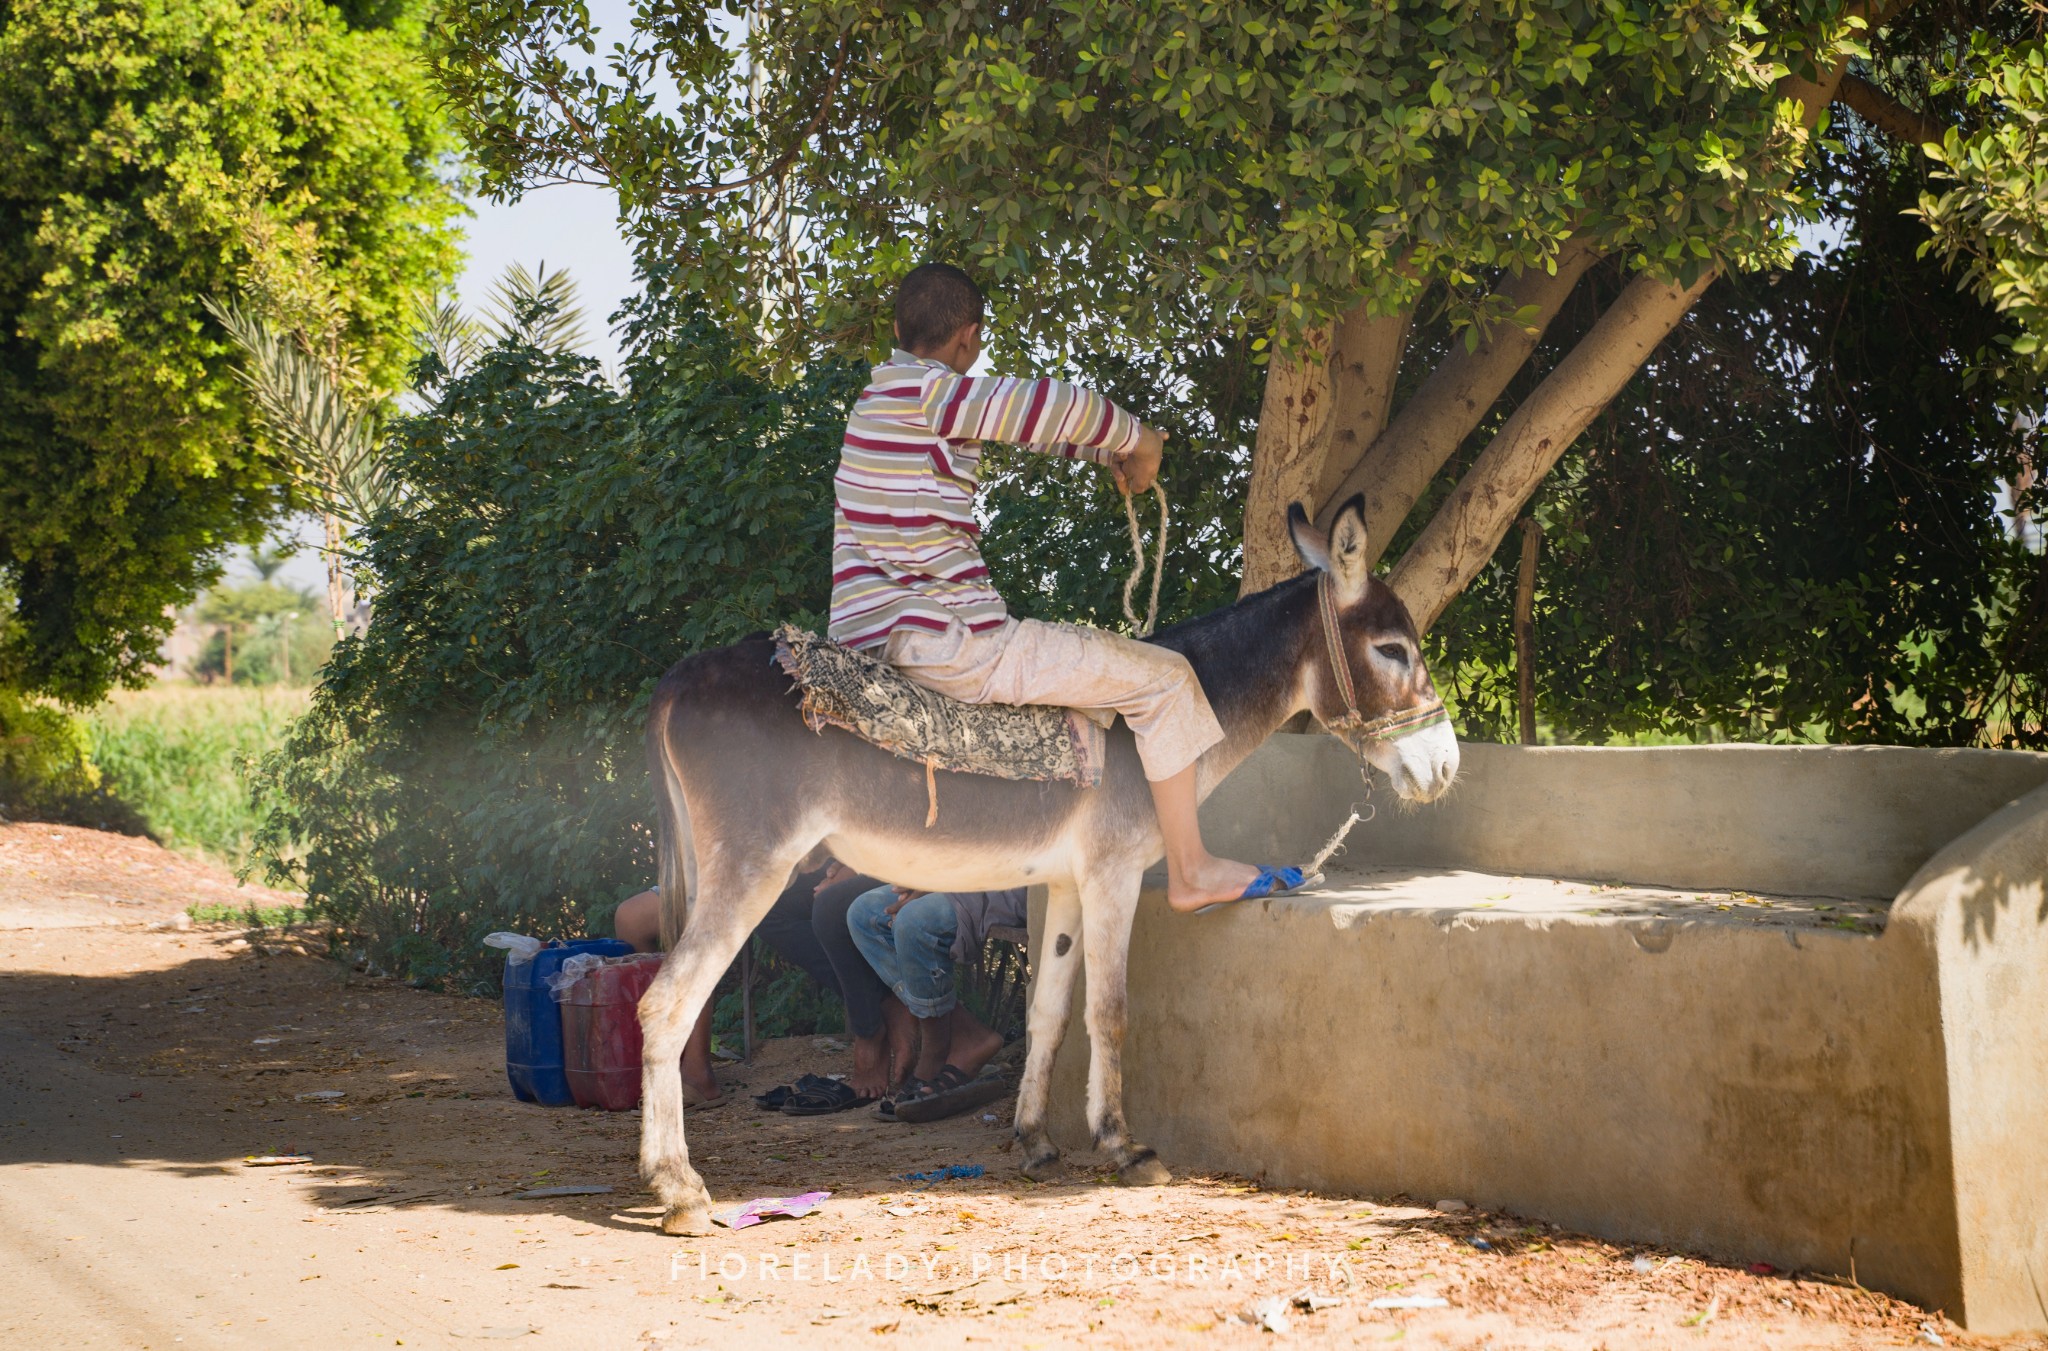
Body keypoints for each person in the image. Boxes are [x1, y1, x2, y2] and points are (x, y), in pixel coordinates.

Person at [830, 263, 1309, 913]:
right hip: (948, 642)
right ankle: (1192, 869)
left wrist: (1098, 456)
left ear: (896, 329)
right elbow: (1055, 406)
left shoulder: (877, 405)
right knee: (1168, 680)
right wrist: (1137, 440)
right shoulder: (934, 396)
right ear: (969, 339)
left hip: (867, 643)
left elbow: (1016, 425)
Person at [612, 859, 917, 1108]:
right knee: (631, 918)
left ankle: (696, 1072)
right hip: (725, 866)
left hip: (788, 864)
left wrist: (845, 862)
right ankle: (660, 1056)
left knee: (708, 909)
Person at [845, 884, 1023, 1121]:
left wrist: (937, 880)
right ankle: (965, 1034)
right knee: (863, 913)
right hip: (960, 872)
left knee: (915, 921)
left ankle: (935, 1050)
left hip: (1014, 878)